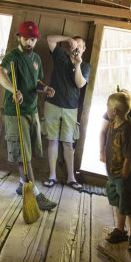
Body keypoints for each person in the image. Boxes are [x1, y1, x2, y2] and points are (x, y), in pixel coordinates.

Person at [0, 21, 57, 211]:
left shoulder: (36, 58)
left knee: (30, 152)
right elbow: (0, 73)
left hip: (31, 111)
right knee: (24, 156)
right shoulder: (12, 57)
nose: (29, 42)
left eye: (32, 39)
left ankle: (23, 185)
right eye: (25, 38)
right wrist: (13, 89)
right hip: (16, 112)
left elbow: (36, 80)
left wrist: (44, 88)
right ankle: (35, 194)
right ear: (18, 38)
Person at [42, 35, 90, 191]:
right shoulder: (60, 56)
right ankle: (52, 176)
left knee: (68, 143)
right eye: (74, 45)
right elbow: (50, 39)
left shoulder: (85, 66)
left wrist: (77, 65)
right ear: (70, 46)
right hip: (52, 104)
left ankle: (71, 178)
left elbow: (80, 84)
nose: (76, 48)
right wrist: (69, 38)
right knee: (52, 140)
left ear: (83, 49)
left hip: (71, 107)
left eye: (79, 46)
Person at [102, 92, 131, 253]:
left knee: (129, 205)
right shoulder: (113, 124)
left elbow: (129, 159)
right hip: (114, 173)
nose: (107, 108)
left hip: (124, 176)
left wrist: (124, 178)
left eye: (108, 107)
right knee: (119, 202)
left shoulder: (127, 131)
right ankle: (120, 230)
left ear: (115, 111)